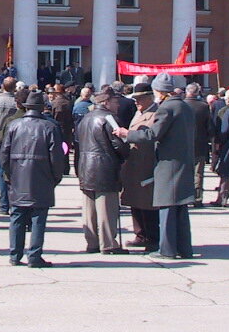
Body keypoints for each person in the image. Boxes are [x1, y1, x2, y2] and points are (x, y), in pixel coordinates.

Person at [118, 72, 196, 260]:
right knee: (180, 209)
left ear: (160, 91)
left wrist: (127, 134)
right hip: (184, 161)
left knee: (167, 207)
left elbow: (153, 135)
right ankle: (184, 248)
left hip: (168, 164)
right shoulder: (185, 106)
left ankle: (167, 249)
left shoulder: (166, 108)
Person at [0, 90, 66, 267]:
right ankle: (34, 256)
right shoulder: (50, 127)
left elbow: (3, 155)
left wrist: (9, 175)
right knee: (38, 218)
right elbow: (57, 158)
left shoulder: (14, 125)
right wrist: (54, 178)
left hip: (18, 177)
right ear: (42, 107)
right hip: (42, 177)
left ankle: (15, 255)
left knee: (17, 216)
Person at [74, 88, 127, 254]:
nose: (118, 104)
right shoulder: (109, 119)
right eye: (115, 101)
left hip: (85, 166)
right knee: (106, 209)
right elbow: (118, 144)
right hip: (104, 167)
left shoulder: (85, 118)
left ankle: (92, 242)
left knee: (89, 210)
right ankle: (108, 243)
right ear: (106, 102)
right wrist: (127, 152)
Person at [117, 83, 160, 251]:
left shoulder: (155, 114)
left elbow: (150, 136)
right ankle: (140, 234)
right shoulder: (139, 113)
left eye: (140, 99)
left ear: (149, 98)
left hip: (146, 163)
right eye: (135, 99)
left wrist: (128, 134)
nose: (136, 102)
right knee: (134, 201)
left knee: (147, 204)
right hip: (134, 163)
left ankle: (152, 237)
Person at [0, 76, 19, 215]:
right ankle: (14, 203)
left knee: (0, 173)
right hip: (14, 140)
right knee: (13, 173)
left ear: (2, 86)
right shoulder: (17, 103)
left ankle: (4, 204)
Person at [182, 83, 212, 208]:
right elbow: (209, 127)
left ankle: (184, 197)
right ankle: (197, 198)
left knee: (184, 172)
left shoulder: (181, 105)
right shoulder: (203, 107)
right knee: (198, 173)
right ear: (198, 92)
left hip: (182, 144)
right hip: (200, 144)